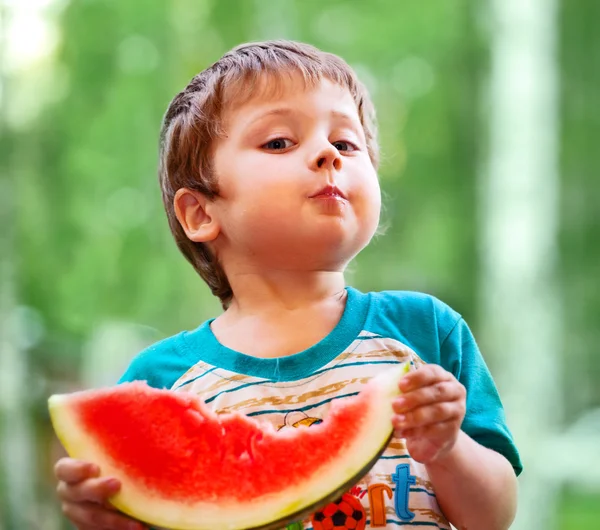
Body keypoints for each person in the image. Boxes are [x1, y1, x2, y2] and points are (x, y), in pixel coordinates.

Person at [54, 40, 522, 530]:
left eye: (345, 143)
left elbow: (493, 517)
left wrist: (448, 450)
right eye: (279, 142)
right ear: (201, 212)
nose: (327, 153)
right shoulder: (162, 378)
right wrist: (117, 510)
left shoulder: (423, 331)